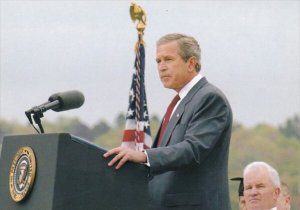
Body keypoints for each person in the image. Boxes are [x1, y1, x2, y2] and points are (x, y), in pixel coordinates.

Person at [104, 33, 233, 209]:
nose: (162, 67)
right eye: (158, 61)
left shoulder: (209, 98)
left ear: (191, 63)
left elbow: (193, 149)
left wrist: (144, 156)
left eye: (168, 59)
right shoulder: (179, 102)